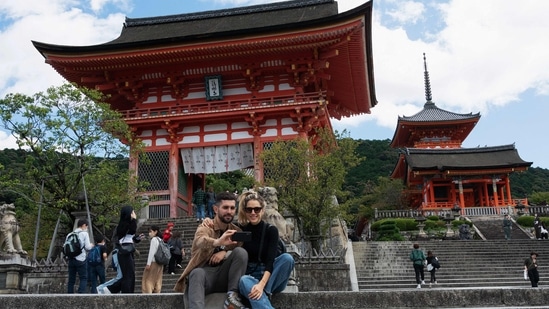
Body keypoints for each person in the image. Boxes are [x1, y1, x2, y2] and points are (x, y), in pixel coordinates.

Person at [174, 191, 248, 309]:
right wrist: (217, 242)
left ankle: (232, 298)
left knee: (241, 253)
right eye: (225, 207)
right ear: (215, 209)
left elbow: (240, 253)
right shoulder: (206, 227)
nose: (229, 211)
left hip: (226, 276)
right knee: (197, 272)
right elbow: (200, 240)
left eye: (232, 208)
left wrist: (225, 252)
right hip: (205, 276)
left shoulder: (237, 231)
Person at [237, 191, 295, 309]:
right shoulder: (240, 229)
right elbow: (224, 236)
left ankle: (264, 292)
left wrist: (261, 286)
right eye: (249, 210)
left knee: (287, 258)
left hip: (271, 278)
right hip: (250, 277)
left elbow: (270, 261)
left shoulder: (271, 230)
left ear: (262, 210)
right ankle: (264, 297)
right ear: (245, 211)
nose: (253, 213)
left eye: (257, 209)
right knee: (243, 280)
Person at [104, 205, 144, 294]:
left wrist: (137, 238)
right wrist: (134, 219)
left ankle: (114, 290)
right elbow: (129, 231)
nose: (134, 214)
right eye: (132, 212)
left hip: (128, 250)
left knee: (130, 274)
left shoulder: (128, 224)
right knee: (128, 274)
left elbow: (131, 237)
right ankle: (120, 291)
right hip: (123, 251)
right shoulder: (123, 224)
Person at [66, 219, 94, 293]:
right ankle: (80, 294)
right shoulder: (84, 233)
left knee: (71, 279)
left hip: (71, 258)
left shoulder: (70, 234)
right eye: (87, 226)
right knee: (83, 277)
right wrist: (91, 245)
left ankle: (69, 295)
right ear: (84, 225)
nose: (87, 228)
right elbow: (87, 247)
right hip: (80, 258)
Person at [142, 225, 164, 293]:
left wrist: (148, 264)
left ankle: (148, 294)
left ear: (155, 232)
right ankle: (157, 293)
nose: (149, 233)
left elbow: (151, 253)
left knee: (148, 279)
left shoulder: (154, 240)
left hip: (153, 262)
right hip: (160, 263)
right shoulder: (161, 240)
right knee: (158, 280)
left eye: (151, 231)